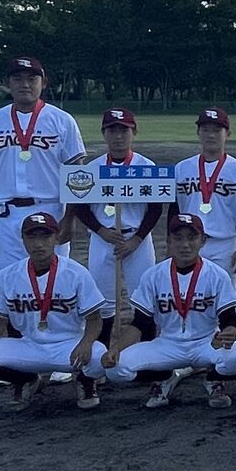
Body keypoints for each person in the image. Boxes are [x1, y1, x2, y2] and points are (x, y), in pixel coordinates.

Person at [0, 56, 88, 385]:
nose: (25, 84)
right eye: (18, 78)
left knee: (60, 280)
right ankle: (19, 359)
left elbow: (76, 173)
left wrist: (71, 218)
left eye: (32, 78)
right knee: (13, 283)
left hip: (50, 211)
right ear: (7, 83)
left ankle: (68, 349)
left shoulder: (62, 120)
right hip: (6, 214)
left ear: (43, 83)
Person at [0, 212, 106, 411]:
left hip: (68, 345)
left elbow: (94, 319)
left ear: (56, 238)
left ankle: (85, 382)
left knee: (99, 357)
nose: (38, 244)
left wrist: (86, 342)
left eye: (45, 236)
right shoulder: (8, 275)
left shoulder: (76, 273)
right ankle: (25, 379)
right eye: (31, 237)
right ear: (22, 239)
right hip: (28, 345)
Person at [101, 213, 236, 409]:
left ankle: (213, 380)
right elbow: (140, 323)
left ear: (202, 240)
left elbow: (230, 318)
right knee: (115, 369)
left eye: (191, 238)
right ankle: (165, 377)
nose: (185, 245)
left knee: (234, 358)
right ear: (169, 241)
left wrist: (229, 332)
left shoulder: (216, 275)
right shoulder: (154, 275)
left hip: (205, 342)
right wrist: (116, 349)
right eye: (178, 238)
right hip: (167, 344)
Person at [73, 108, 161, 345]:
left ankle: (146, 353)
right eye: (112, 130)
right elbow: (79, 206)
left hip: (137, 240)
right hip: (103, 238)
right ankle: (100, 352)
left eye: (124, 130)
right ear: (104, 133)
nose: (119, 136)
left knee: (143, 299)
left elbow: (155, 209)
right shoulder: (91, 168)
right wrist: (100, 230)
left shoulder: (147, 166)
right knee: (102, 301)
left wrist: (136, 239)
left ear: (134, 132)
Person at [171, 107, 236, 292]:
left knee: (225, 296)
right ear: (198, 132)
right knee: (188, 294)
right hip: (188, 242)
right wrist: (171, 243)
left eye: (217, 130)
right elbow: (174, 209)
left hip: (224, 244)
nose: (211, 135)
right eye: (205, 130)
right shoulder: (182, 168)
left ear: (228, 134)